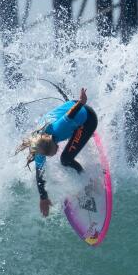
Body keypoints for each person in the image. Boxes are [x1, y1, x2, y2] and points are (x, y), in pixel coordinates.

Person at [15, 87, 97, 217]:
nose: (53, 154)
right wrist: (43, 197)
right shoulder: (39, 145)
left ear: (53, 140)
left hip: (87, 118)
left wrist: (81, 102)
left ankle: (89, 183)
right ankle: (80, 132)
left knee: (66, 160)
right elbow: (39, 174)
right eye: (49, 154)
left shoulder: (58, 129)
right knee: (66, 154)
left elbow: (69, 114)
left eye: (53, 151)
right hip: (73, 108)